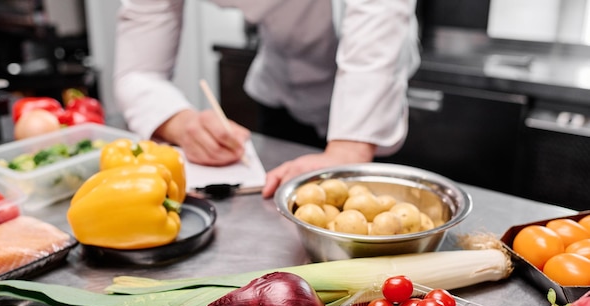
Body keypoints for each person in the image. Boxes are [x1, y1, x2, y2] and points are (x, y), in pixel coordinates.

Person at [114, 0, 421, 198]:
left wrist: (349, 148)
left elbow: (378, 10)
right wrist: (180, 123)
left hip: (376, 95)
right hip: (284, 86)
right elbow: (138, 70)